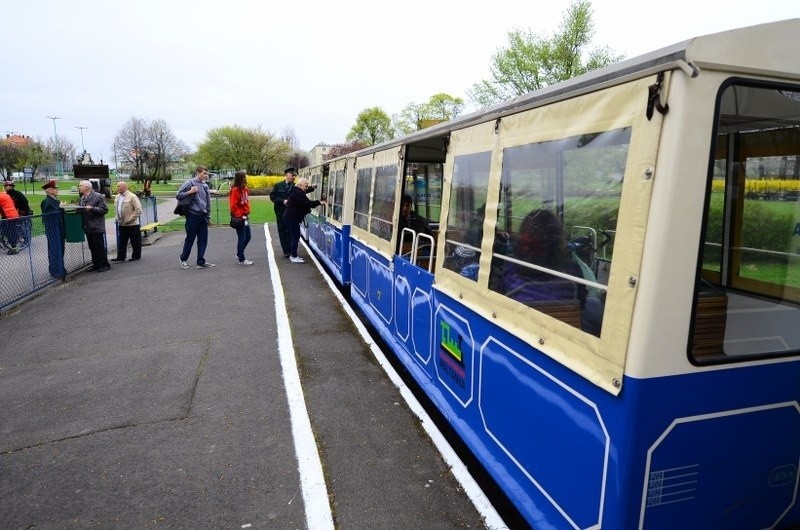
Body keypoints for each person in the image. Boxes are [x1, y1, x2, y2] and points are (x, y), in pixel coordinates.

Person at [177, 165, 214, 269]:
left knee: (203, 239)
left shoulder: (205, 185)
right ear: (198, 173)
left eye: (206, 174)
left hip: (203, 216)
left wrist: (208, 216)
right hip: (192, 215)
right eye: (204, 173)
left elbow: (208, 203)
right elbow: (178, 195)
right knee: (190, 239)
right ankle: (183, 259)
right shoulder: (190, 183)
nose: (206, 176)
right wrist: (190, 191)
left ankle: (201, 261)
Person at [283, 177, 325, 263]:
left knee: (294, 236)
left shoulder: (296, 191)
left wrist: (312, 188)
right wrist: (319, 202)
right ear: (300, 185)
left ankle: (293, 254)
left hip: (290, 217)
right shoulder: (298, 193)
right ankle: (293, 256)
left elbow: (304, 197)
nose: (306, 188)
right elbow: (308, 203)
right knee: (295, 236)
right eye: (306, 186)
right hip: (292, 218)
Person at [78, 179, 111, 272]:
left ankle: (104, 264)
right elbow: (81, 210)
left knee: (99, 247)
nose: (79, 187)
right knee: (92, 247)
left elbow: (104, 210)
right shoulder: (83, 198)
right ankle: (96, 264)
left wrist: (92, 208)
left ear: (87, 187)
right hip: (88, 227)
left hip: (96, 226)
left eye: (80, 185)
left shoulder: (97, 196)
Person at [40, 179, 66, 278]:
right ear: (49, 191)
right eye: (55, 189)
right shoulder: (46, 201)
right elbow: (48, 215)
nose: (57, 190)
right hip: (52, 229)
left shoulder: (55, 200)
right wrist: (60, 208)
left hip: (59, 228)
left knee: (60, 249)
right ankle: (55, 271)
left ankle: (60, 268)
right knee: (55, 249)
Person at [112, 181, 143, 262]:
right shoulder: (117, 197)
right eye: (117, 186)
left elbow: (138, 209)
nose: (117, 188)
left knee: (135, 241)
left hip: (132, 224)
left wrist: (130, 219)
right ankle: (121, 257)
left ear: (125, 187)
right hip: (122, 223)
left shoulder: (132, 196)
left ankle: (136, 256)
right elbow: (116, 209)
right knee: (121, 241)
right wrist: (117, 218)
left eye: (119, 186)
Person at [270, 167, 297, 258]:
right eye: (292, 175)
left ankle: (291, 249)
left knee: (290, 231)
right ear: (286, 175)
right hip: (280, 212)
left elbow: (303, 191)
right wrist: (282, 201)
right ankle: (286, 251)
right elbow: (273, 197)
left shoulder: (295, 186)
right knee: (282, 231)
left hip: (291, 213)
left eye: (294, 175)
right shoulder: (278, 185)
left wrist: (312, 188)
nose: (293, 177)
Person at [229, 170, 253, 265]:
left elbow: (245, 202)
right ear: (241, 178)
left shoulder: (245, 189)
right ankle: (242, 259)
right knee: (242, 237)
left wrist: (246, 212)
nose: (246, 177)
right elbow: (233, 206)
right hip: (240, 217)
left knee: (248, 237)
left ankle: (239, 253)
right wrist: (240, 214)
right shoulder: (235, 190)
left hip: (245, 215)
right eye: (245, 176)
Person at [3, 180, 32, 249]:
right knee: (14, 227)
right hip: (13, 214)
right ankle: (13, 240)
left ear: (11, 186)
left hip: (22, 213)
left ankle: (26, 241)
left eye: (7, 186)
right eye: (5, 186)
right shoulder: (7, 194)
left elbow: (25, 202)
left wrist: (21, 211)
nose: (5, 187)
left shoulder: (17, 193)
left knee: (22, 227)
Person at [0, 189, 21, 254]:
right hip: (14, 215)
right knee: (10, 231)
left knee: (9, 232)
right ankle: (13, 246)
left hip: (8, 216)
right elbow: (13, 203)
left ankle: (14, 249)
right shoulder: (5, 194)